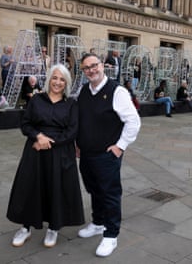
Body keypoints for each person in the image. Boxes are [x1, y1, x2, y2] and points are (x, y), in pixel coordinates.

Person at [7, 64, 85, 248]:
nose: (57, 82)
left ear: (66, 83)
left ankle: (53, 228)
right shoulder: (36, 100)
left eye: (62, 79)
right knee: (30, 187)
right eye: (55, 78)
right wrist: (38, 136)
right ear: (49, 79)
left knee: (56, 188)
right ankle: (25, 228)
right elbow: (25, 124)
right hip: (35, 150)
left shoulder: (71, 104)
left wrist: (49, 142)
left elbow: (72, 131)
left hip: (60, 152)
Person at [76, 53, 141, 257]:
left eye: (94, 65)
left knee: (110, 194)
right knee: (94, 189)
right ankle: (97, 223)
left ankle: (111, 235)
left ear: (102, 66)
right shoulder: (83, 91)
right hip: (86, 153)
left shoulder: (117, 91)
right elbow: (82, 119)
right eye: (86, 68)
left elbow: (134, 122)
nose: (91, 70)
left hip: (107, 155)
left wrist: (120, 146)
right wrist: (78, 143)